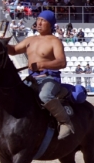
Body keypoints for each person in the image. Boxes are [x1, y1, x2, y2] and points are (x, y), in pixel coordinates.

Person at [6, 10, 74, 139]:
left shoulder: (55, 41)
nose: (39, 23)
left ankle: (65, 122)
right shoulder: (30, 40)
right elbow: (14, 51)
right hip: (32, 78)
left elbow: (62, 62)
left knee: (45, 95)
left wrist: (42, 65)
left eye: (43, 20)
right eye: (38, 19)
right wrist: (3, 44)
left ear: (51, 24)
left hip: (49, 78)